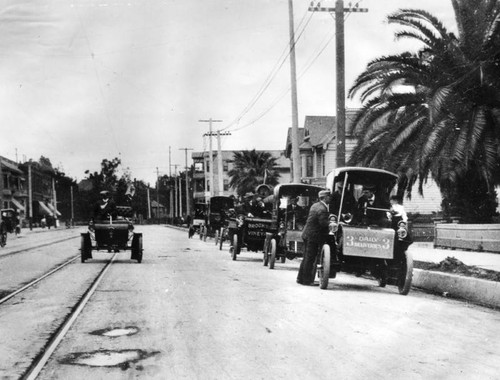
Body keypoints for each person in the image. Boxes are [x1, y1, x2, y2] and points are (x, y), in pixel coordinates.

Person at [297, 189, 332, 286]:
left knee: (306, 257)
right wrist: (333, 223)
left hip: (307, 234)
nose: (330, 198)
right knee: (310, 258)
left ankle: (300, 278)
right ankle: (306, 280)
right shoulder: (322, 208)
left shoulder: (315, 205)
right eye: (329, 196)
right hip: (314, 236)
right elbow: (323, 223)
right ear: (324, 198)